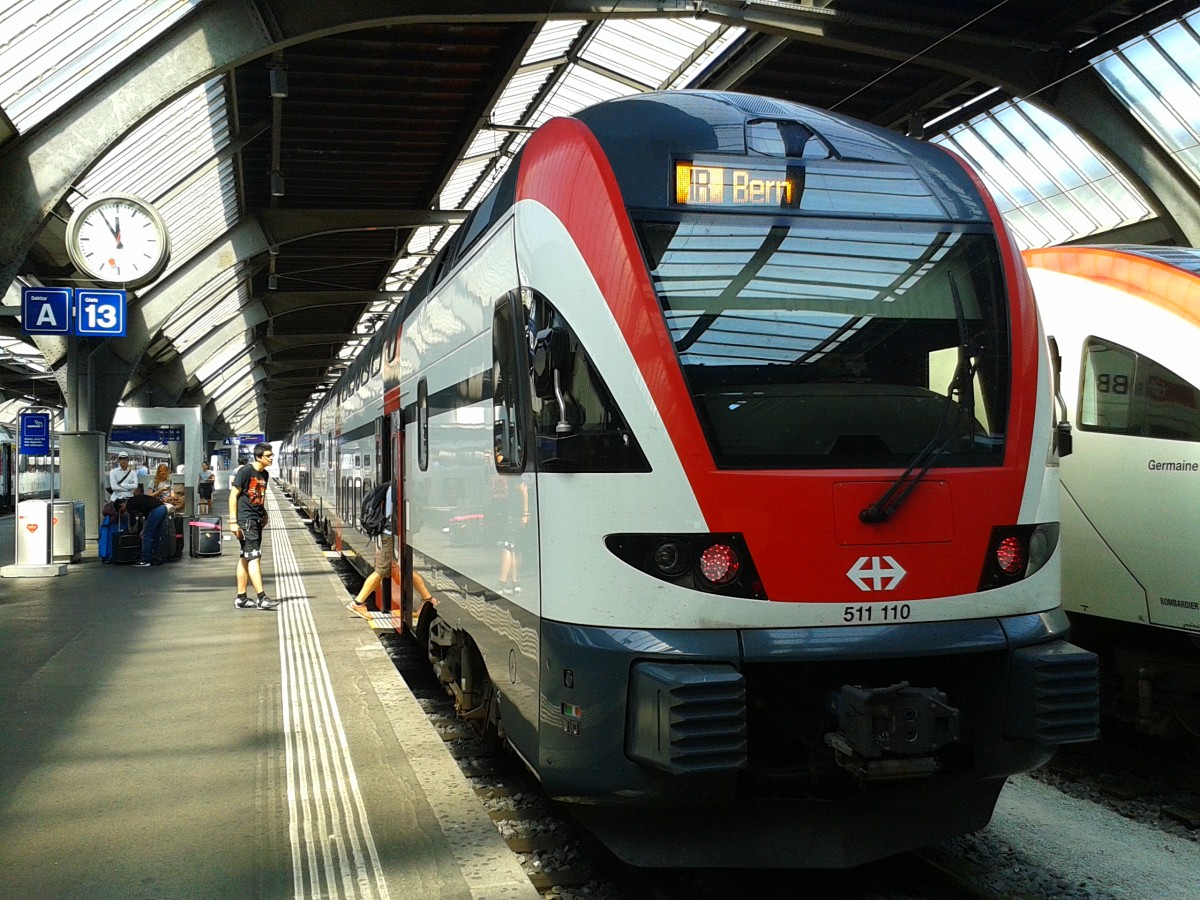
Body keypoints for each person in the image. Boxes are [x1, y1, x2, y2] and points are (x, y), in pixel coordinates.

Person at [349, 483, 433, 619]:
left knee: (405, 567)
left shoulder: (394, 486)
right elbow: (399, 512)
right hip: (390, 534)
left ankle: (427, 599)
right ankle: (358, 603)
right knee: (383, 569)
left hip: (395, 533)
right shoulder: (399, 488)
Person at [229, 443, 279, 611]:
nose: (272, 458)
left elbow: (258, 496)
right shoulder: (245, 472)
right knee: (254, 556)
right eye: (268, 455)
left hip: (256, 519)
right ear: (259, 457)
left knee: (245, 557)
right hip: (246, 520)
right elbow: (233, 496)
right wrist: (232, 521)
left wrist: (264, 513)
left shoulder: (264, 474)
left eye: (272, 455)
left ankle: (241, 598)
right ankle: (261, 598)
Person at [124, 485, 172, 568]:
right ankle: (157, 558)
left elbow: (132, 519)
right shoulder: (140, 500)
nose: (124, 511)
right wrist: (143, 529)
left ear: (121, 505)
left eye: (121, 510)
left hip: (156, 511)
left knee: (147, 535)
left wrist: (131, 529)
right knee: (156, 535)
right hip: (163, 508)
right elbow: (148, 518)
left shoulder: (129, 503)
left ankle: (145, 559)